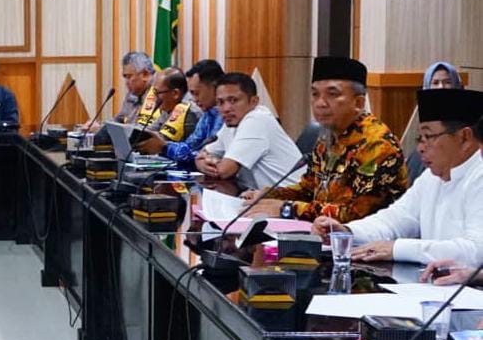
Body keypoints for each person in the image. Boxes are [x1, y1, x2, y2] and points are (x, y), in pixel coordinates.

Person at [313, 89, 483, 265]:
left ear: (464, 137)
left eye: (429, 136)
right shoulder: (431, 178)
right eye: (420, 138)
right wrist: (346, 232)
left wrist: (396, 248)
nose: (420, 148)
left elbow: (476, 251)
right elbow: (394, 220)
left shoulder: (479, 176)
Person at [250, 56, 406, 222]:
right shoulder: (328, 137)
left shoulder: (376, 144)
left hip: (367, 235)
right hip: (324, 229)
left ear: (358, 103)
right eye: (315, 94)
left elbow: (355, 213)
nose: (320, 103)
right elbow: (309, 190)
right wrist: (270, 195)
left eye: (332, 94)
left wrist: (288, 208)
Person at [195, 72, 304, 191]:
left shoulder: (257, 120)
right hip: (260, 195)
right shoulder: (232, 123)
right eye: (220, 102)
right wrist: (200, 162)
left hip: (293, 197)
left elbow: (224, 171)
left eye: (233, 100)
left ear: (253, 101)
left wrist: (205, 163)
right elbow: (204, 153)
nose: (226, 109)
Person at [138, 59, 224, 166]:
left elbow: (208, 156)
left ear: (215, 87)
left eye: (196, 93)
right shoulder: (208, 114)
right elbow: (191, 146)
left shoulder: (225, 117)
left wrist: (164, 147)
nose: (194, 99)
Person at [91, 51, 157, 132]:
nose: (126, 82)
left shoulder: (159, 92)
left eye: (129, 76)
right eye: (125, 77)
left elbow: (143, 130)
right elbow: (118, 120)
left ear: (145, 74)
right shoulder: (133, 93)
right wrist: (100, 127)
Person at [140, 69, 198, 142]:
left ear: (175, 93)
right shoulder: (169, 105)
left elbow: (162, 141)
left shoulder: (189, 111)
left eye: (157, 93)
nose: (155, 98)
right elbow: (150, 131)